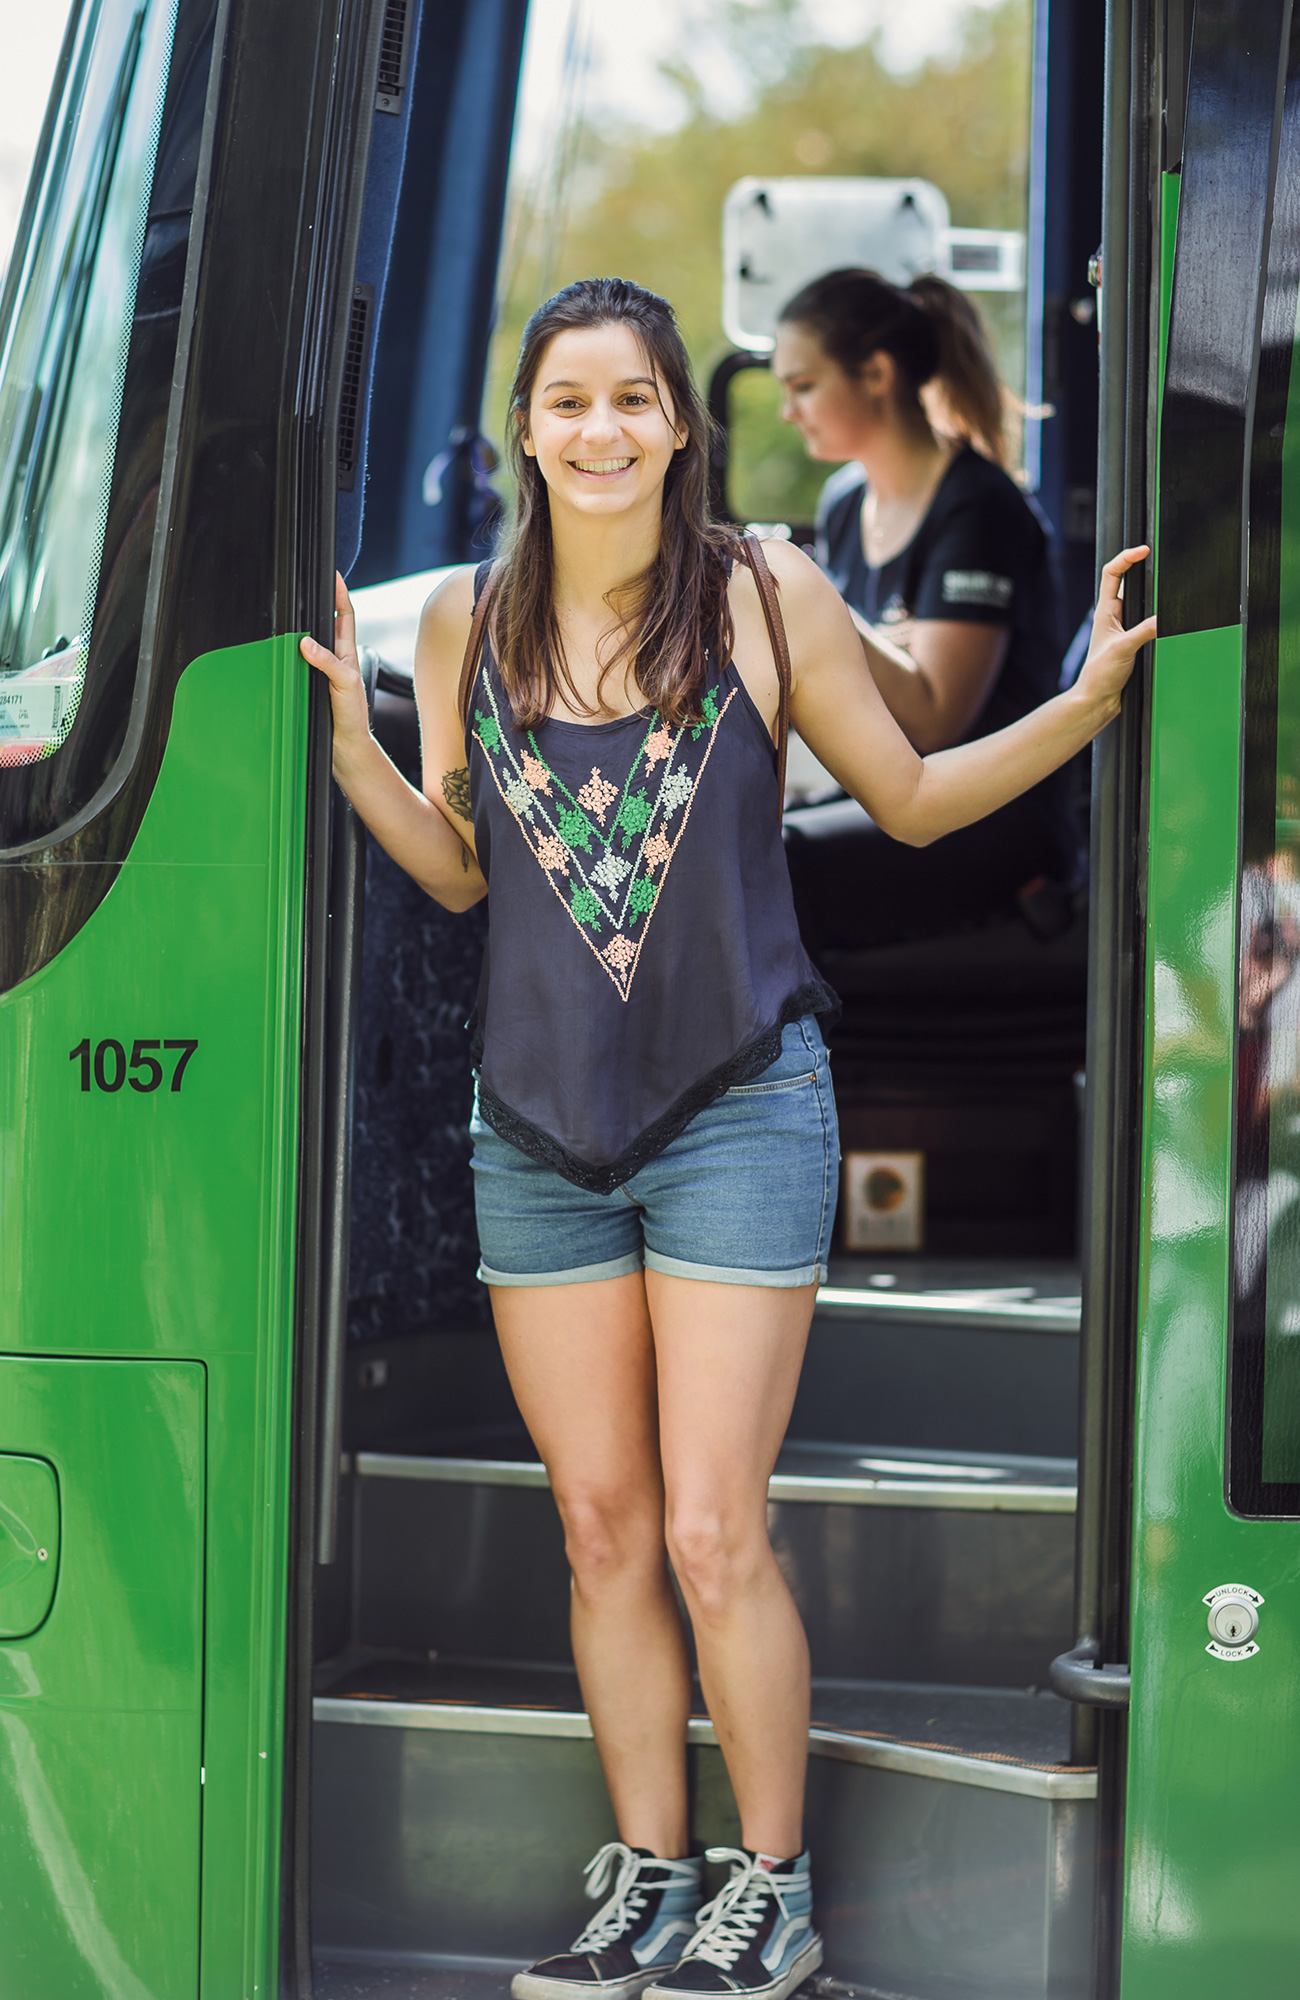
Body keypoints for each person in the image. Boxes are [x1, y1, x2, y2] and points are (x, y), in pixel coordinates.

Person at [301, 274, 1152, 2000]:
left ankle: (775, 1890)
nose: (599, 431)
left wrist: (1080, 706)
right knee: (601, 1527)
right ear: (523, 431)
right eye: (565, 403)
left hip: (737, 1113)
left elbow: (907, 802)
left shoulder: (767, 594)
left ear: (681, 422)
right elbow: (471, 874)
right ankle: (647, 1876)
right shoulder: (464, 619)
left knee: (709, 1530)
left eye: (633, 399)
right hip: (529, 1130)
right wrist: (349, 749)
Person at [774, 267, 1078, 954]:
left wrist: (807, 596)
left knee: (774, 864)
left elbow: (933, 715)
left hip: (986, 813)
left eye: (804, 386)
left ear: (876, 373)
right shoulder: (845, 501)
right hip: (889, 786)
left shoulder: (978, 506)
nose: (789, 411)